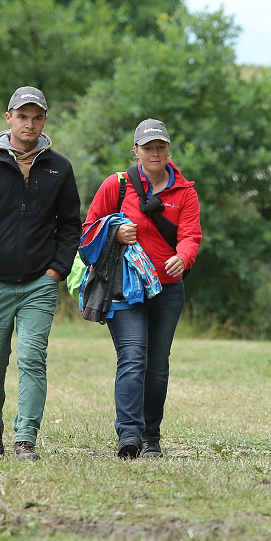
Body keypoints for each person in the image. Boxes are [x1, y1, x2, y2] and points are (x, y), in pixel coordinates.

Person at [0, 86, 81, 460]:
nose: (29, 123)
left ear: (44, 120)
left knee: (31, 357)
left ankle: (26, 438)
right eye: (22, 116)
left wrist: (57, 269)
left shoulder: (59, 167)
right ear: (8, 118)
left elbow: (71, 225)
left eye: (36, 117)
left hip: (39, 284)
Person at [83, 118, 201, 460]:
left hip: (168, 289)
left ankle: (152, 436)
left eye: (160, 146)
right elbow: (88, 230)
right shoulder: (116, 185)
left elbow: (191, 234)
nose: (155, 153)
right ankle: (129, 436)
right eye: (147, 147)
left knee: (157, 364)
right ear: (136, 151)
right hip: (125, 288)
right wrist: (114, 232)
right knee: (133, 358)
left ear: (168, 149)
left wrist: (183, 256)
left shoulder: (185, 191)